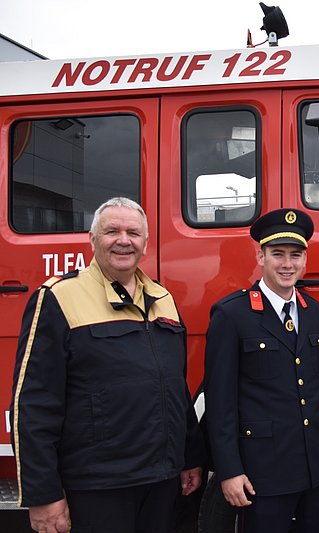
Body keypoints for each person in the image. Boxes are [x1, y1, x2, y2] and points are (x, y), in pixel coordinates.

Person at [10, 197, 203, 533]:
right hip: (98, 486)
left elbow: (176, 389)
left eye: (133, 232)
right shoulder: (58, 298)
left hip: (160, 480)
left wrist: (189, 458)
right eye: (111, 231)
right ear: (92, 239)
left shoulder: (164, 300)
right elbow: (33, 404)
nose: (123, 240)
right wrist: (43, 494)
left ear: (145, 242)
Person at [204, 208, 319, 533]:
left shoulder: (311, 310)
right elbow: (220, 403)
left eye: (296, 255)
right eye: (278, 254)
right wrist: (229, 471)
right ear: (260, 255)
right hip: (264, 472)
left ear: (305, 259)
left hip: (318, 468)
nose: (288, 264)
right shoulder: (232, 315)